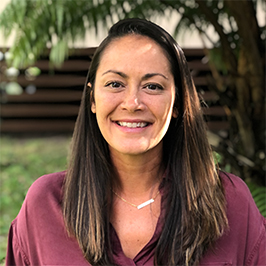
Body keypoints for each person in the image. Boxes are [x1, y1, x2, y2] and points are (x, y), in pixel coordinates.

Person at [5, 18, 265, 266]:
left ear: (177, 102)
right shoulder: (45, 206)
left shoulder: (230, 203)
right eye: (115, 83)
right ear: (93, 99)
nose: (132, 103)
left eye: (152, 87)